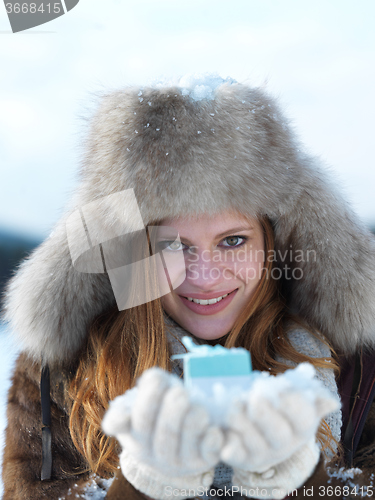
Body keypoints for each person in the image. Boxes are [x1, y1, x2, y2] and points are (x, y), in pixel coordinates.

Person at [2, 75, 375, 500]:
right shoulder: (69, 370)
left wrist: (299, 482)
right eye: (173, 245)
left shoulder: (354, 366)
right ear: (136, 251)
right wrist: (143, 486)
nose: (204, 276)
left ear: (274, 244)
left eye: (233, 240)